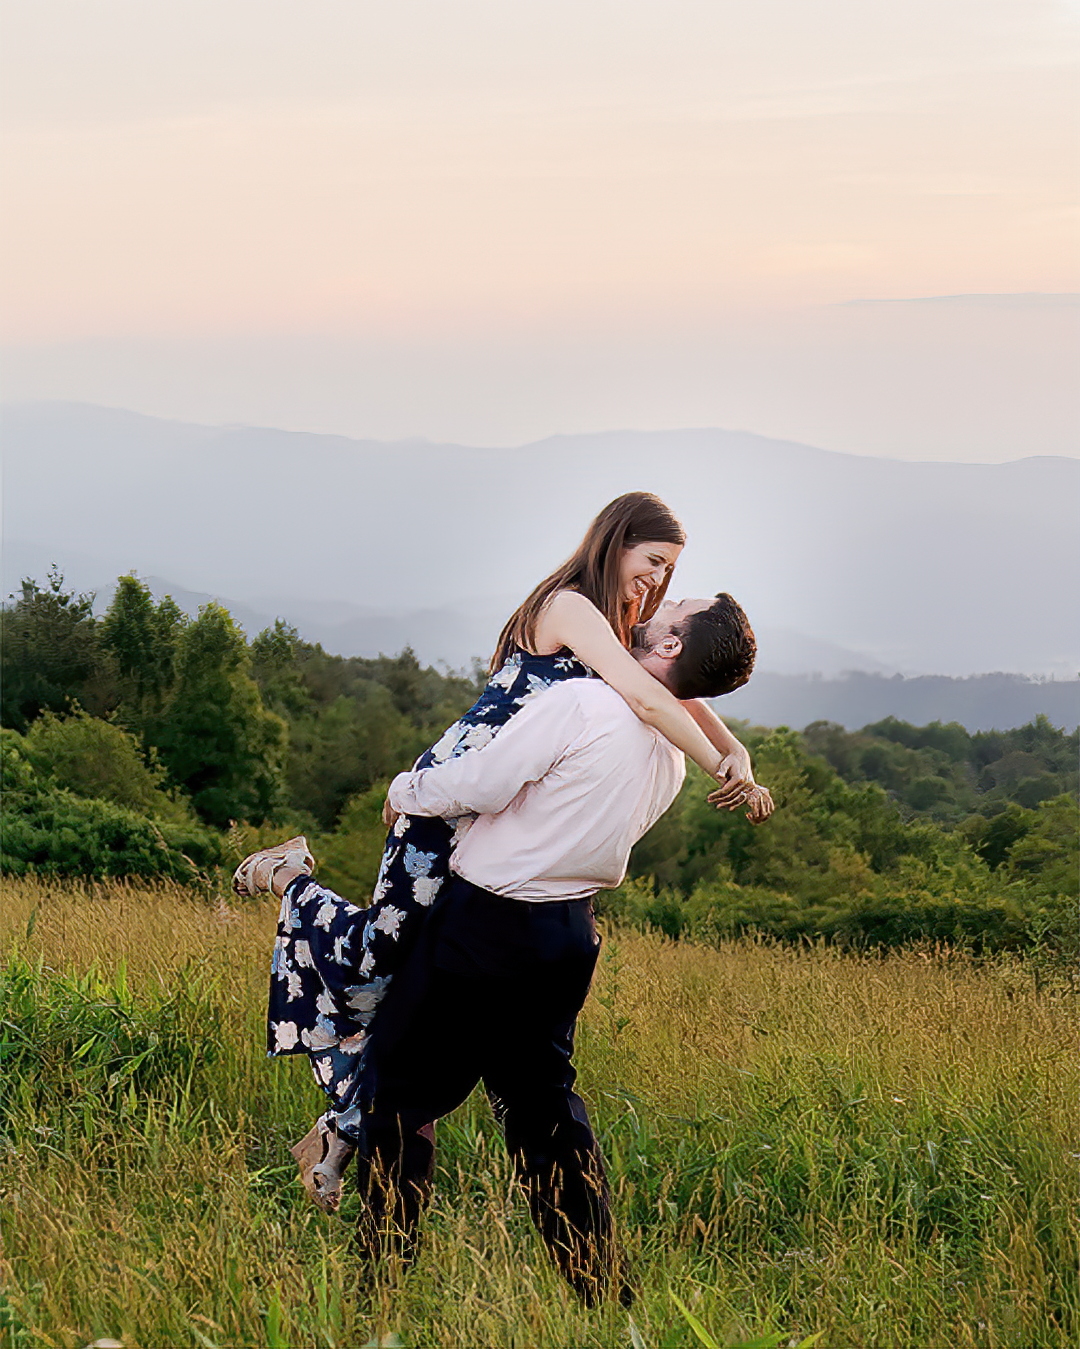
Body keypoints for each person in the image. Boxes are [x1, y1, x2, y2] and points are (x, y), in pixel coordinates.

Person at [235, 492, 773, 1211]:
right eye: (652, 562)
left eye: (670, 571)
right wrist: (716, 764)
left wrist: (736, 749)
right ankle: (290, 875)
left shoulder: (620, 628)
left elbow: (679, 690)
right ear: (617, 542)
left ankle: (340, 1132)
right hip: (449, 794)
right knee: (377, 954)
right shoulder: (571, 606)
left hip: (497, 805)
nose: (656, 581)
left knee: (407, 997)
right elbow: (650, 701)